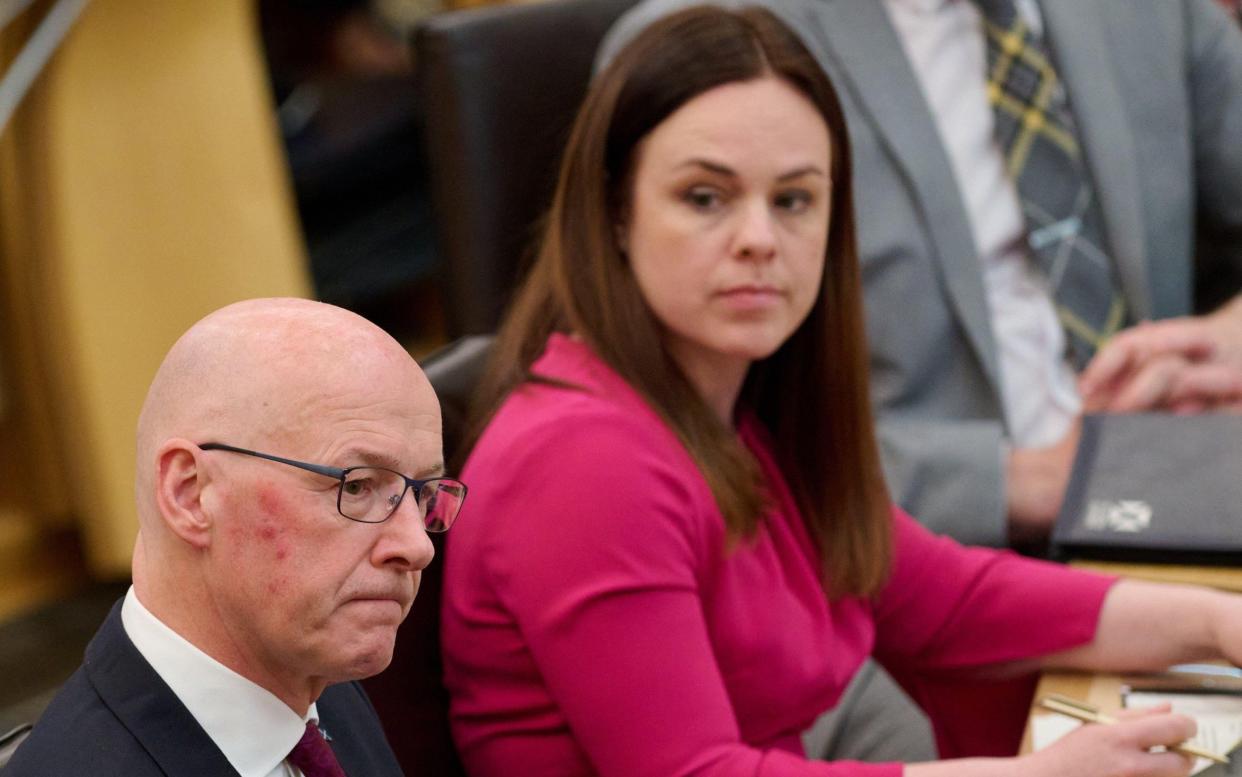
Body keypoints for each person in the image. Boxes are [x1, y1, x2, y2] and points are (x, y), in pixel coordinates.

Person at [438, 7, 1242, 776]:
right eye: (705, 197)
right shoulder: (583, 461)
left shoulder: (747, 406)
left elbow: (945, 598)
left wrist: (1214, 620)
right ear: (614, 213)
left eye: (794, 199)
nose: (759, 239)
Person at [599, 0, 1242, 550]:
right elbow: (675, 423)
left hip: (1181, 498)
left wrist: (1226, 340)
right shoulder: (715, 39)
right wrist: (1018, 484)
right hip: (907, 568)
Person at [5, 298, 467, 776]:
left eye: (423, 494)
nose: (418, 547)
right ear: (191, 494)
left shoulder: (325, 689)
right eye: (357, 486)